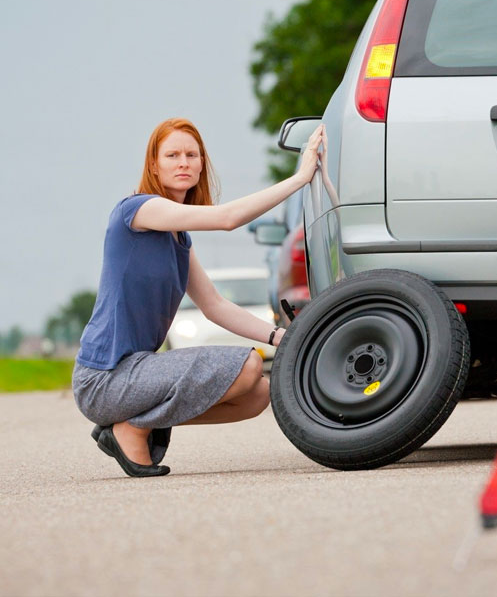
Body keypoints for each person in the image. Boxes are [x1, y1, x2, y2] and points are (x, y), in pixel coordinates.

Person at [72, 117, 325, 477]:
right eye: (172, 155)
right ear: (154, 166)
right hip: (103, 378)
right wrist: (300, 179)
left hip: (137, 374)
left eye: (192, 154)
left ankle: (133, 423)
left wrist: (282, 337)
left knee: (259, 394)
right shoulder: (138, 211)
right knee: (249, 365)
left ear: (202, 164)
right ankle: (133, 428)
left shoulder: (180, 239)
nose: (183, 162)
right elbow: (226, 218)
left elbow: (215, 306)